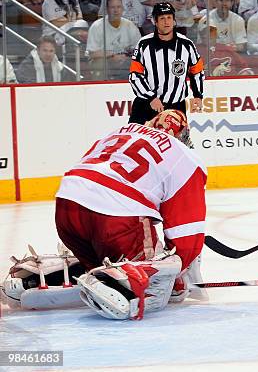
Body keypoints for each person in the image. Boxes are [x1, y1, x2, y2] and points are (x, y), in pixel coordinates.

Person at [54, 109, 207, 319]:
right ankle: (120, 280)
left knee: (105, 266)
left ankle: (63, 274)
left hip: (66, 204)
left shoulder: (120, 131)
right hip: (116, 217)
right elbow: (186, 234)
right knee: (151, 291)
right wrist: (176, 279)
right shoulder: (186, 157)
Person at [128, 2, 204, 125]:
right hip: (146, 106)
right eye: (162, 18)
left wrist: (198, 95)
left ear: (174, 20)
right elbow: (135, 76)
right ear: (155, 21)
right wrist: (151, 98)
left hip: (176, 107)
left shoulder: (186, 45)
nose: (166, 22)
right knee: (137, 141)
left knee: (176, 143)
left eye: (169, 17)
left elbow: (197, 71)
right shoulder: (144, 44)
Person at [87, 0, 142, 80]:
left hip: (125, 60)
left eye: (118, 7)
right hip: (105, 61)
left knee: (137, 63)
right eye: (112, 7)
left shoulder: (130, 25)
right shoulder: (97, 26)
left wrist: (126, 56)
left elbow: (140, 50)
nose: (116, 10)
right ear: (107, 10)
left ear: (123, 9)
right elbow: (92, 54)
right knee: (99, 63)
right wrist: (112, 55)